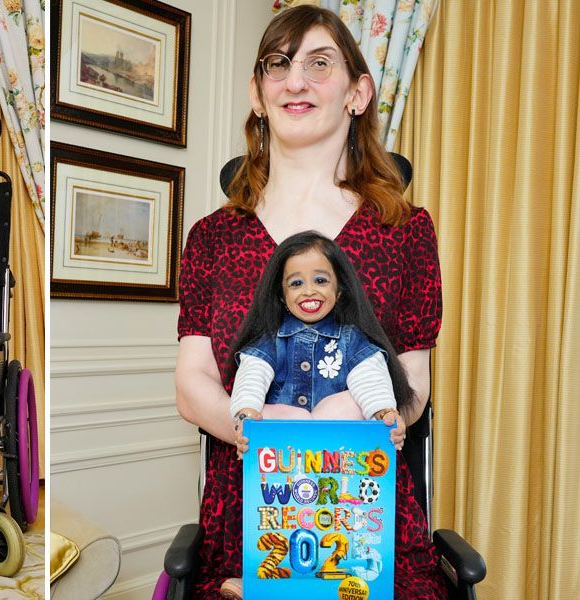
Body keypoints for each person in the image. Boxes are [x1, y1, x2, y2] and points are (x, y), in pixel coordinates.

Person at [173, 6, 447, 599]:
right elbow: (192, 382)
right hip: (245, 509)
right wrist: (268, 432)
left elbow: (415, 384)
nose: (295, 80)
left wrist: (345, 423)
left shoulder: (406, 232)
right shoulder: (212, 239)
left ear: (358, 92)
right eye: (278, 65)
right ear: (256, 93)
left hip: (368, 515)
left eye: (319, 64)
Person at [229, 231, 410, 456]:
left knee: (351, 403)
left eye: (321, 280)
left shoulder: (351, 339)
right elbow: (252, 376)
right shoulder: (270, 341)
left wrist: (385, 413)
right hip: (284, 456)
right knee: (271, 415)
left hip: (339, 454)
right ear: (282, 296)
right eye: (296, 283)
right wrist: (247, 413)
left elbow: (370, 379)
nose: (309, 291)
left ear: (340, 290)